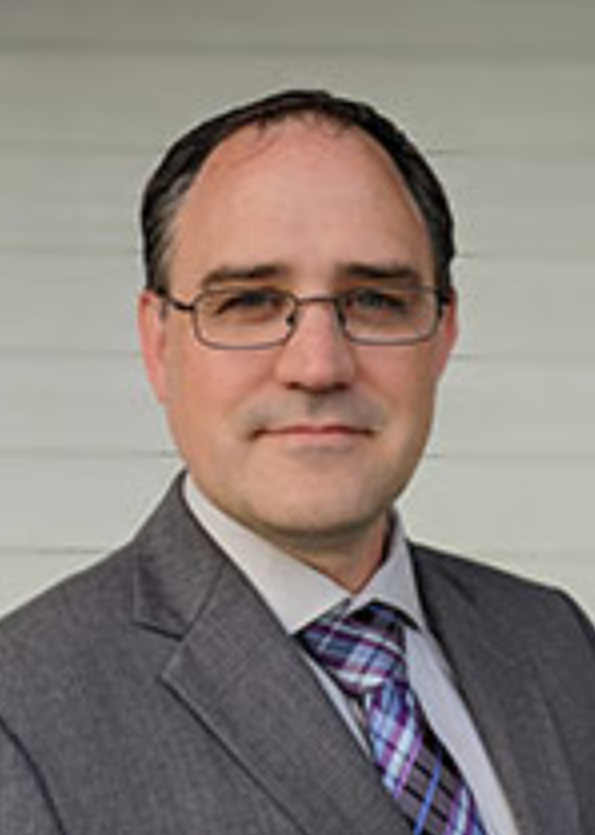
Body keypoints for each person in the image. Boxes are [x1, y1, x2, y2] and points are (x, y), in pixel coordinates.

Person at [0, 89, 593, 835]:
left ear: (441, 335)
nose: (317, 365)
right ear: (158, 343)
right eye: (248, 300)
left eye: (375, 299)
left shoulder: (553, 641)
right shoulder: (22, 716)